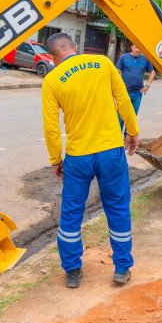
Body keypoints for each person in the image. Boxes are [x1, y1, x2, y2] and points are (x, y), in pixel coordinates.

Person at [41, 33, 140, 289]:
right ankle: (121, 268)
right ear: (75, 48)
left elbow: (51, 128)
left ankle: (73, 271)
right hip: (111, 152)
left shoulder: (51, 80)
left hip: (78, 156)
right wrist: (132, 131)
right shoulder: (103, 63)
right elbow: (123, 101)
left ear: (52, 58)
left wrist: (55, 159)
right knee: (118, 208)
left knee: (71, 214)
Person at [116, 44, 155, 135]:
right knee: (121, 116)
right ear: (132, 47)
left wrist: (147, 85)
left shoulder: (145, 59)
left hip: (137, 93)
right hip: (124, 93)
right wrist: (116, 87)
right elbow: (116, 72)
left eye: (140, 48)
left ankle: (127, 137)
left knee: (132, 117)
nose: (137, 50)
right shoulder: (124, 57)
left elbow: (152, 72)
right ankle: (117, 137)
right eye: (136, 47)